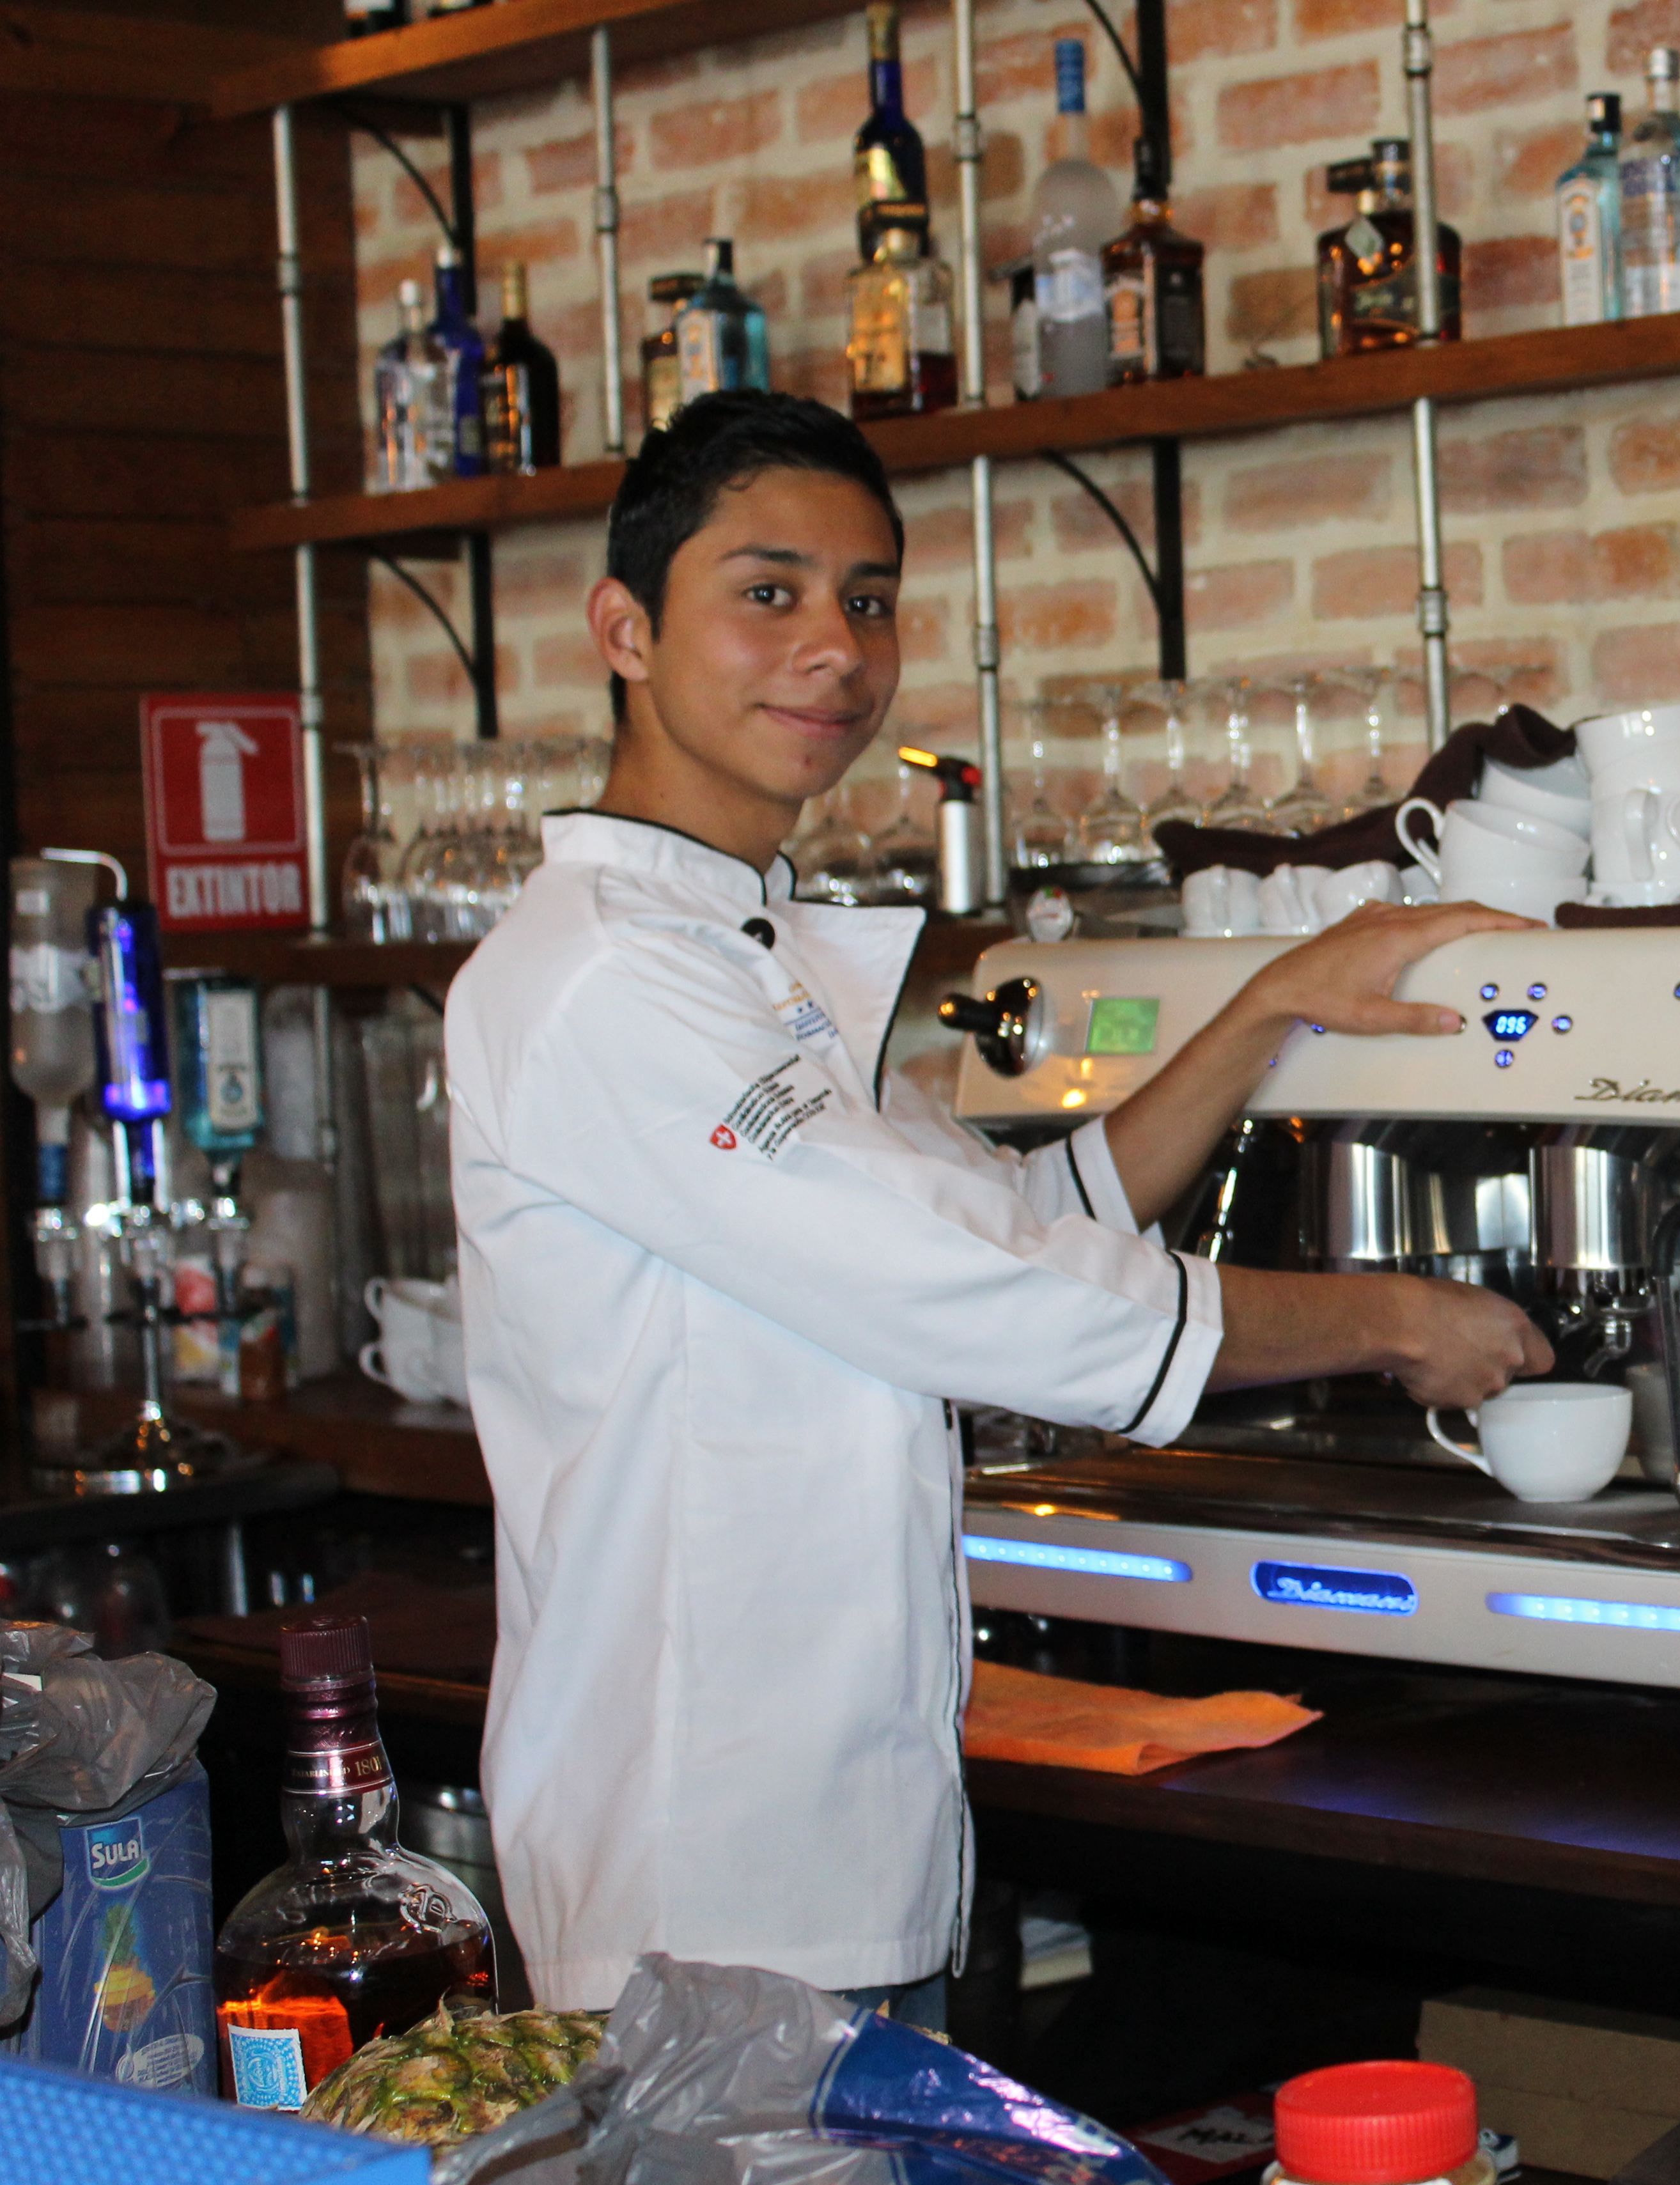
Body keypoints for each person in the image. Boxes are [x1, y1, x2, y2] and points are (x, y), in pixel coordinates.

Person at [447, 391, 1552, 2016]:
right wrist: (1392, 1320)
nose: (833, 646)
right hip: (704, 1881)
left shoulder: (737, 958)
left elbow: (1028, 1214)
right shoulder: (604, 977)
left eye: (868, 598)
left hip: (834, 1841)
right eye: (768, 593)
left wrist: (1267, 1007)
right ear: (625, 627)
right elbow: (1008, 1303)